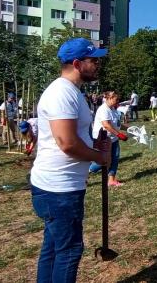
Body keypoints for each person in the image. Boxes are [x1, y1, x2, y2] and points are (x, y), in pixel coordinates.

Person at [30, 37, 111, 283]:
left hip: (61, 187)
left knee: (54, 248)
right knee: (69, 251)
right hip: (59, 189)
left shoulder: (72, 93)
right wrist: (100, 156)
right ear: (77, 63)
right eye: (93, 60)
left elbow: (74, 137)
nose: (98, 64)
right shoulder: (61, 93)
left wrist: (93, 144)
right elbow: (66, 143)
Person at [92, 91, 129, 186]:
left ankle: (111, 180)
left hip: (113, 138)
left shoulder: (112, 109)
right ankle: (89, 169)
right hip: (104, 139)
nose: (117, 102)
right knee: (104, 160)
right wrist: (119, 135)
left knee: (115, 158)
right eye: (116, 100)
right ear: (109, 98)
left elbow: (117, 124)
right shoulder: (104, 109)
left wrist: (129, 128)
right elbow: (106, 125)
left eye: (118, 100)